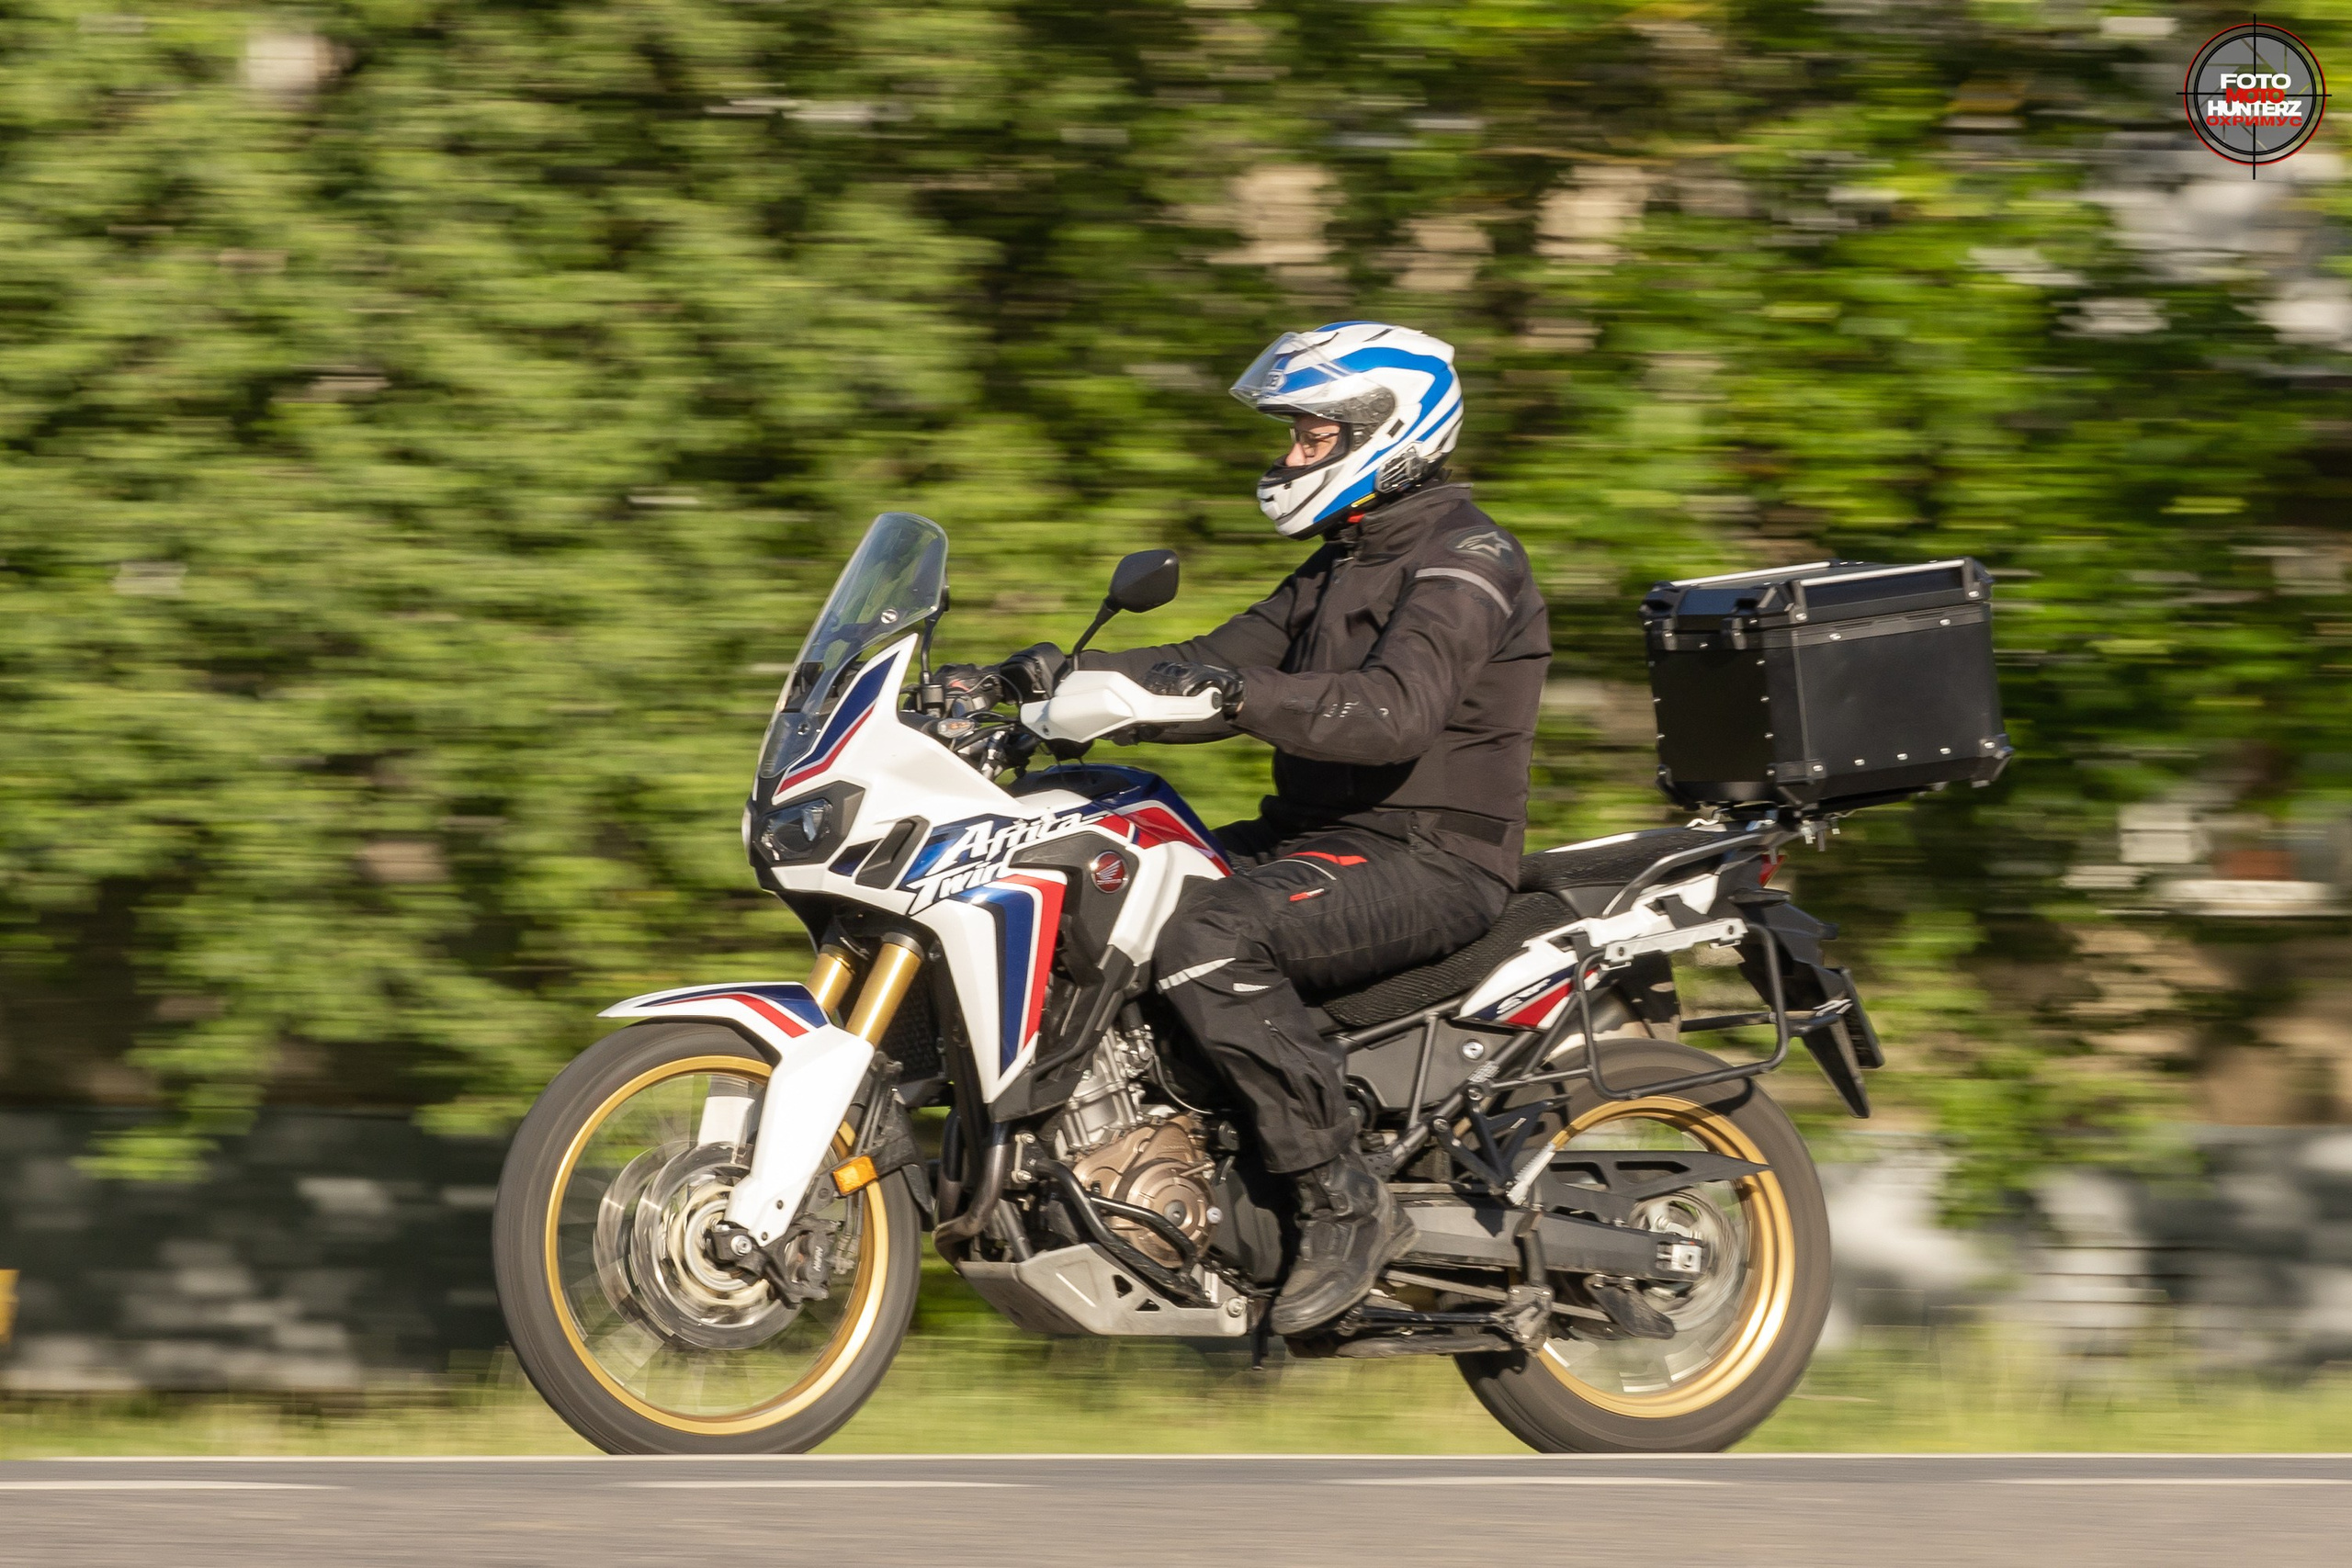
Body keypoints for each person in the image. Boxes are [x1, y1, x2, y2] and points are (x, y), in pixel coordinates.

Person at [1001, 321, 1549, 1335]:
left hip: (1430, 854)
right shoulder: (1342, 563)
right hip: (1318, 837)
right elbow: (1202, 657)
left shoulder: (1467, 559)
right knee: (1098, 884)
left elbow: (1394, 712)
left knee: (1205, 935)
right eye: (1293, 437)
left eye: (1311, 436)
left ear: (1388, 429)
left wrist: (1234, 692)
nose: (1291, 455)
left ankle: (1341, 1195)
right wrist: (1027, 682)